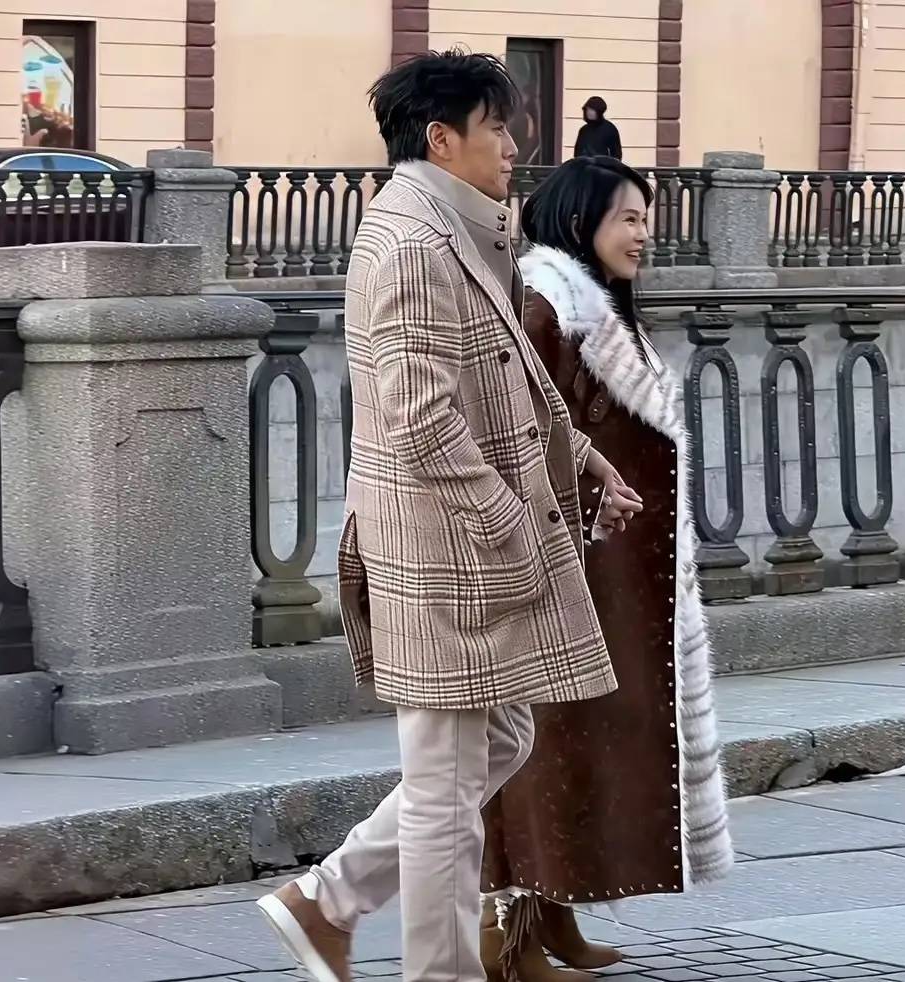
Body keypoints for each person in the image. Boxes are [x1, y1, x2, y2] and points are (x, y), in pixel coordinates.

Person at [254, 55, 641, 982]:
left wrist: (581, 458)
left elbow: (510, 371)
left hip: (463, 542)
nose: (512, 148)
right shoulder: (411, 245)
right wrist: (508, 524)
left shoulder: (457, 229)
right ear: (441, 139)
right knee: (443, 787)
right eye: (496, 127)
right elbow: (420, 417)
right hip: (443, 546)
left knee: (496, 742)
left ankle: (325, 901)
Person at [480, 156, 734, 981]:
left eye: (644, 217)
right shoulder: (545, 306)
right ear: (578, 219)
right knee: (539, 746)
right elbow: (513, 432)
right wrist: (582, 506)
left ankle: (555, 911)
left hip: (611, 572)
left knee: (580, 745)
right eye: (628, 216)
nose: (643, 233)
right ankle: (506, 935)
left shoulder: (591, 310)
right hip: (562, 567)